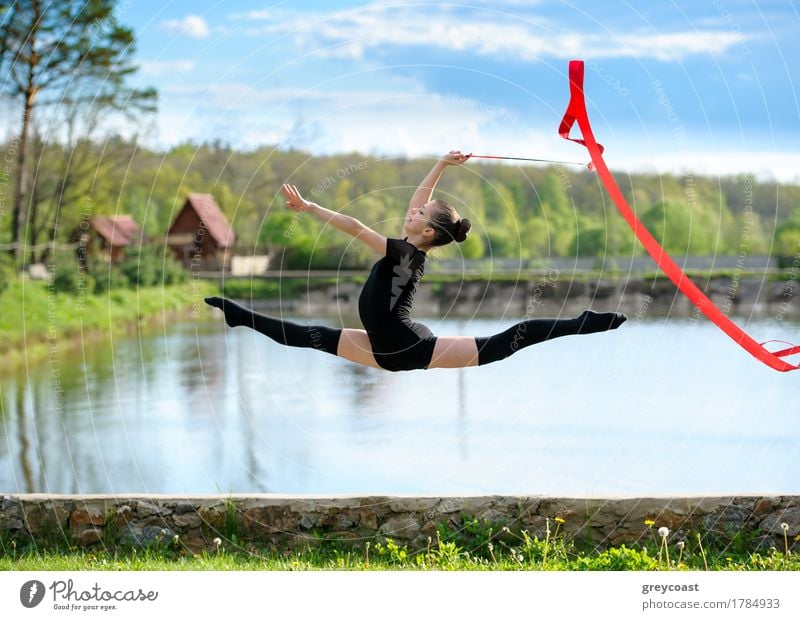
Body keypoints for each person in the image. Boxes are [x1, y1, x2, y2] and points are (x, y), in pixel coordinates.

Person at [205, 150, 626, 371]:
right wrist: (441, 164)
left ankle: (581, 323)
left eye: (419, 215)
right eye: (416, 210)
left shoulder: (406, 252)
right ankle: (240, 317)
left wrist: (312, 207)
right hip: (383, 348)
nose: (411, 211)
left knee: (503, 343)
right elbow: (417, 199)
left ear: (427, 233)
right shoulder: (413, 247)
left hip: (406, 345)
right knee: (306, 334)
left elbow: (354, 226)